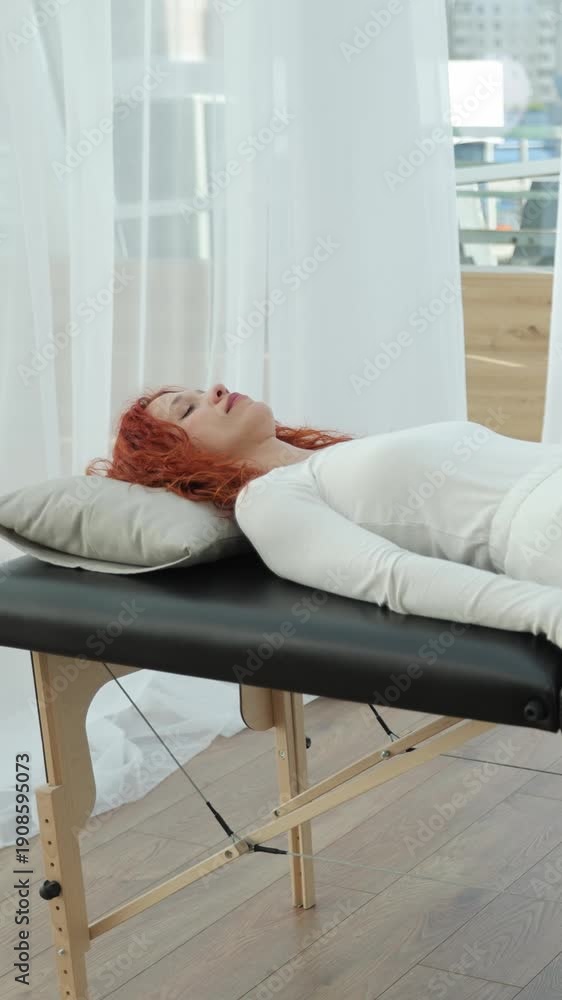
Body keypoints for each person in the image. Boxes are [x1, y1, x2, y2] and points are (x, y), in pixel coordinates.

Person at [87, 383, 562, 650]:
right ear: (178, 459)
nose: (216, 388)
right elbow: (394, 578)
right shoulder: (267, 501)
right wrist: (546, 612)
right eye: (188, 408)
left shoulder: (328, 461)